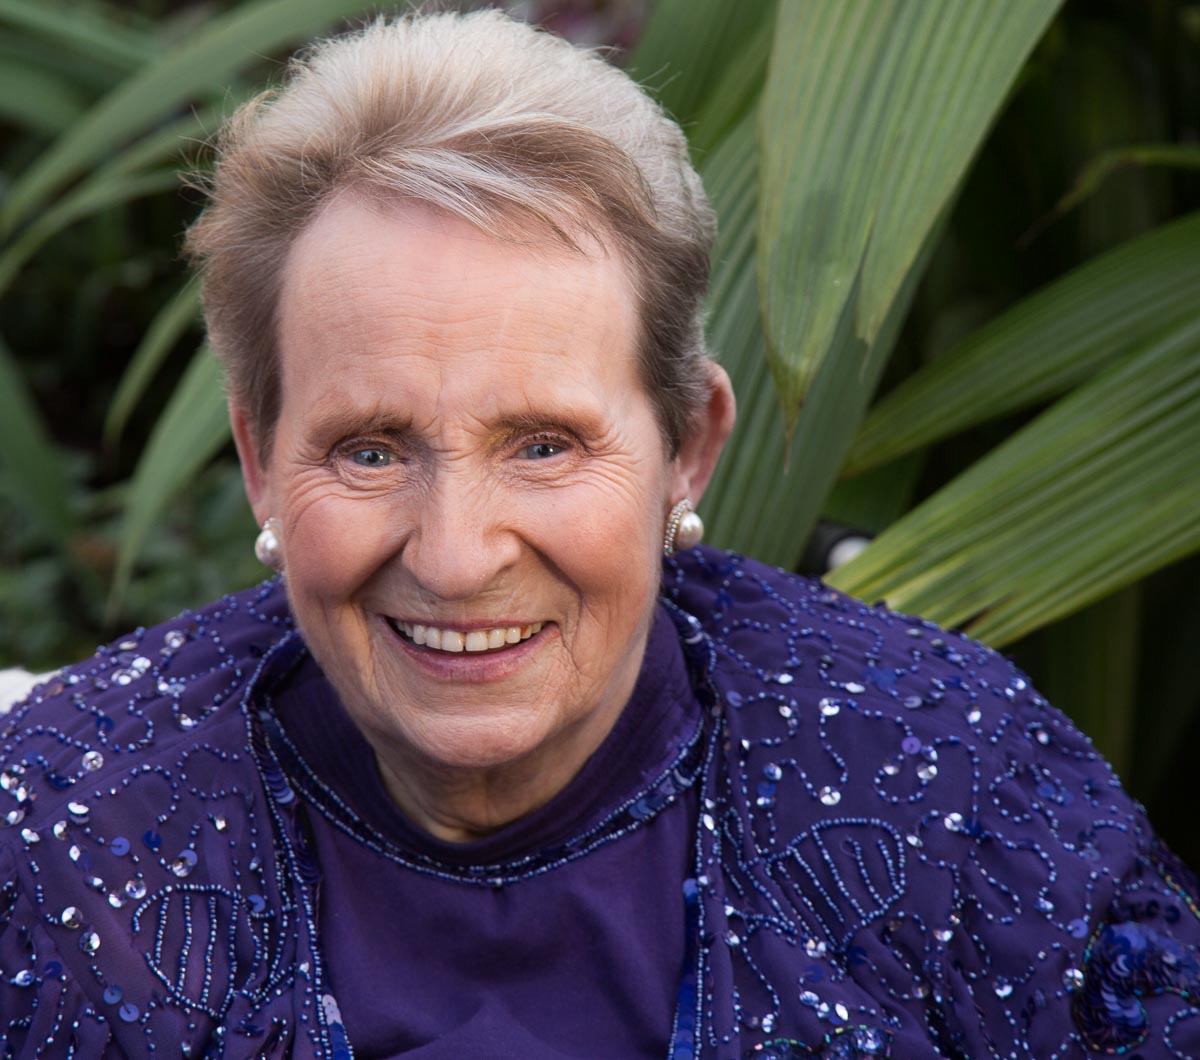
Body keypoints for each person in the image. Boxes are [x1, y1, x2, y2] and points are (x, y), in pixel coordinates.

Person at [2, 10, 1197, 1058]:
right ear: (261, 458)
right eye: (370, 449)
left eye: (543, 444)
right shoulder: (66, 841)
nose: (457, 556)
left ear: (688, 447)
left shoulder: (954, 787)